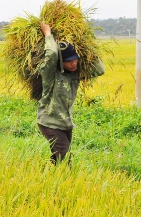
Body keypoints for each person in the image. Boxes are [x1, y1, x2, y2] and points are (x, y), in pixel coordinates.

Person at [37, 22, 105, 164]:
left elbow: (99, 70)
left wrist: (89, 47)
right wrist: (48, 34)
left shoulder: (75, 74)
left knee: (60, 155)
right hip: (49, 122)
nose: (73, 64)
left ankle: (46, 174)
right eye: (69, 61)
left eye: (75, 60)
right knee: (64, 154)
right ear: (61, 62)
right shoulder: (50, 74)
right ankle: (63, 178)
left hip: (65, 123)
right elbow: (52, 54)